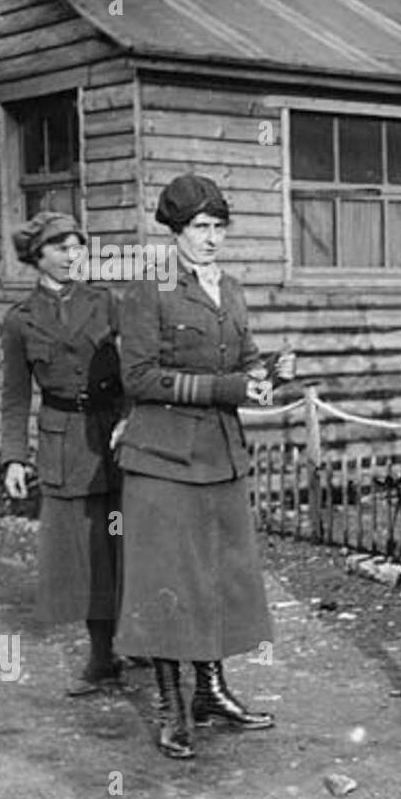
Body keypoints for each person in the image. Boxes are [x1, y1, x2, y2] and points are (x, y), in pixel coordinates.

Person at [114, 174, 294, 760]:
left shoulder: (232, 289)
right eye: (200, 228)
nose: (212, 239)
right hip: (162, 457)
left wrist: (269, 373)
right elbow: (138, 378)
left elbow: (242, 363)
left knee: (215, 575)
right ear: (175, 230)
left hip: (219, 454)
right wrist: (228, 386)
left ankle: (211, 691)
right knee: (167, 580)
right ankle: (171, 707)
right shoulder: (148, 287)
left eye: (219, 227)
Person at [0, 211, 124, 696]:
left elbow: (135, 365)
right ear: (38, 256)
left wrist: (131, 418)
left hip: (112, 438)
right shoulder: (19, 321)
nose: (73, 255)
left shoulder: (106, 302)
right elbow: (14, 395)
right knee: (82, 551)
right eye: (61, 247)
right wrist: (13, 456)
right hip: (62, 444)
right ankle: (101, 656)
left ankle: (134, 639)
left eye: (78, 246)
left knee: (121, 538)